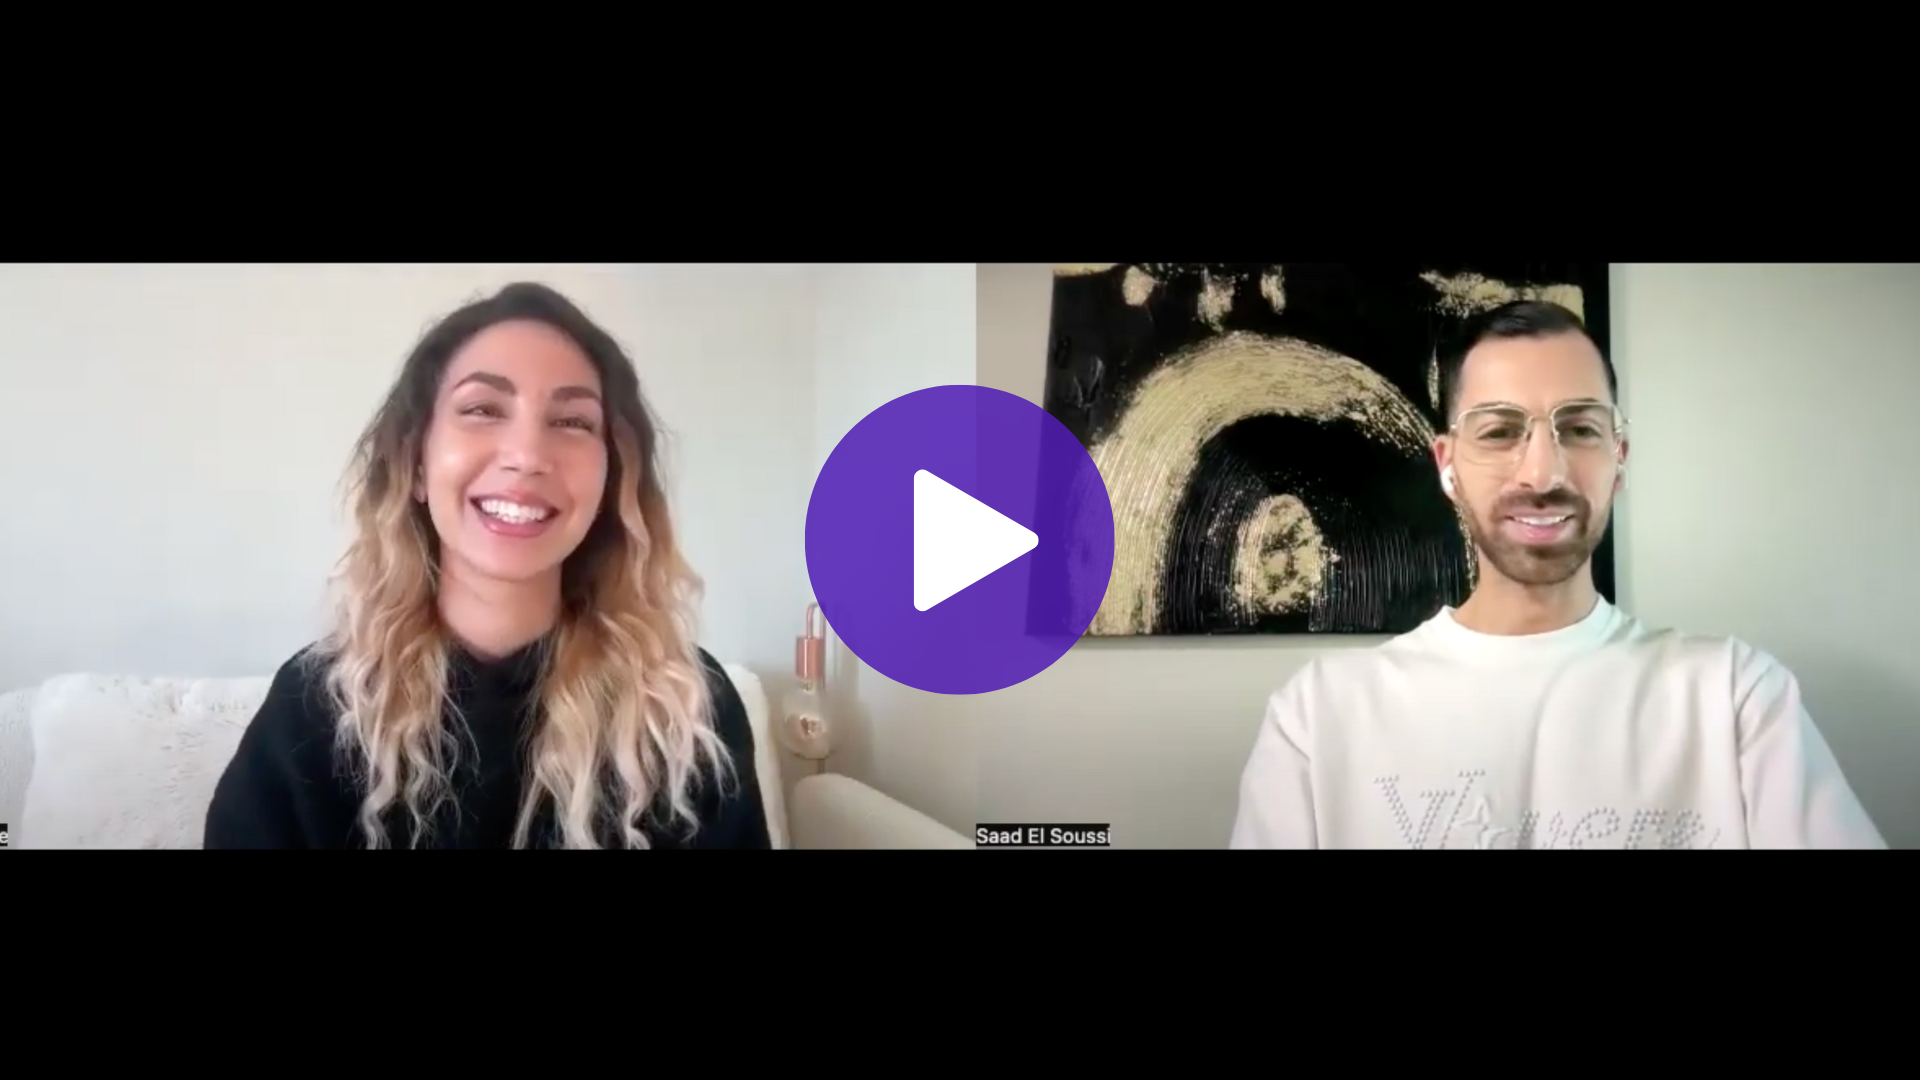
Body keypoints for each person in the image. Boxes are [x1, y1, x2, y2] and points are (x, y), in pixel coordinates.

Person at [1229, 299, 1883, 850]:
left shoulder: (1735, 698)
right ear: (1447, 465)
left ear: (1618, 459)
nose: (1542, 474)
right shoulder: (1320, 716)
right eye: (1498, 431)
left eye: (1579, 428)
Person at [205, 282, 770, 849]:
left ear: (611, 478)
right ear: (417, 464)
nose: (527, 456)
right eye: (482, 409)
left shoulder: (687, 712)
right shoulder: (312, 709)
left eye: (572, 422)